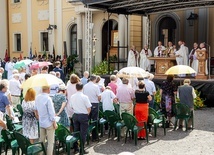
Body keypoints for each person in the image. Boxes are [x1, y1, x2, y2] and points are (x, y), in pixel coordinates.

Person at [34, 86, 57, 155]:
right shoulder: (48, 98)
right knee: (50, 142)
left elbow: (35, 110)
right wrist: (54, 122)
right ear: (48, 89)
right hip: (49, 123)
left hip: (41, 122)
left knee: (41, 141)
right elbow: (51, 112)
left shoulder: (37, 97)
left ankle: (40, 153)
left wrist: (38, 117)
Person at [70, 83, 92, 154]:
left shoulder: (72, 96)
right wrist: (86, 114)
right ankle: (82, 149)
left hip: (76, 115)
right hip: (83, 115)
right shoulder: (85, 97)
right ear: (82, 88)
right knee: (83, 133)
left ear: (76, 88)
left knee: (76, 132)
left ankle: (75, 147)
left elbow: (71, 106)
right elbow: (89, 107)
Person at [83, 75, 100, 141]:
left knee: (87, 119)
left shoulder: (85, 86)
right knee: (94, 120)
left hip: (87, 104)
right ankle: (94, 136)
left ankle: (87, 135)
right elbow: (99, 96)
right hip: (94, 103)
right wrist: (98, 100)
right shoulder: (96, 86)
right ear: (95, 79)